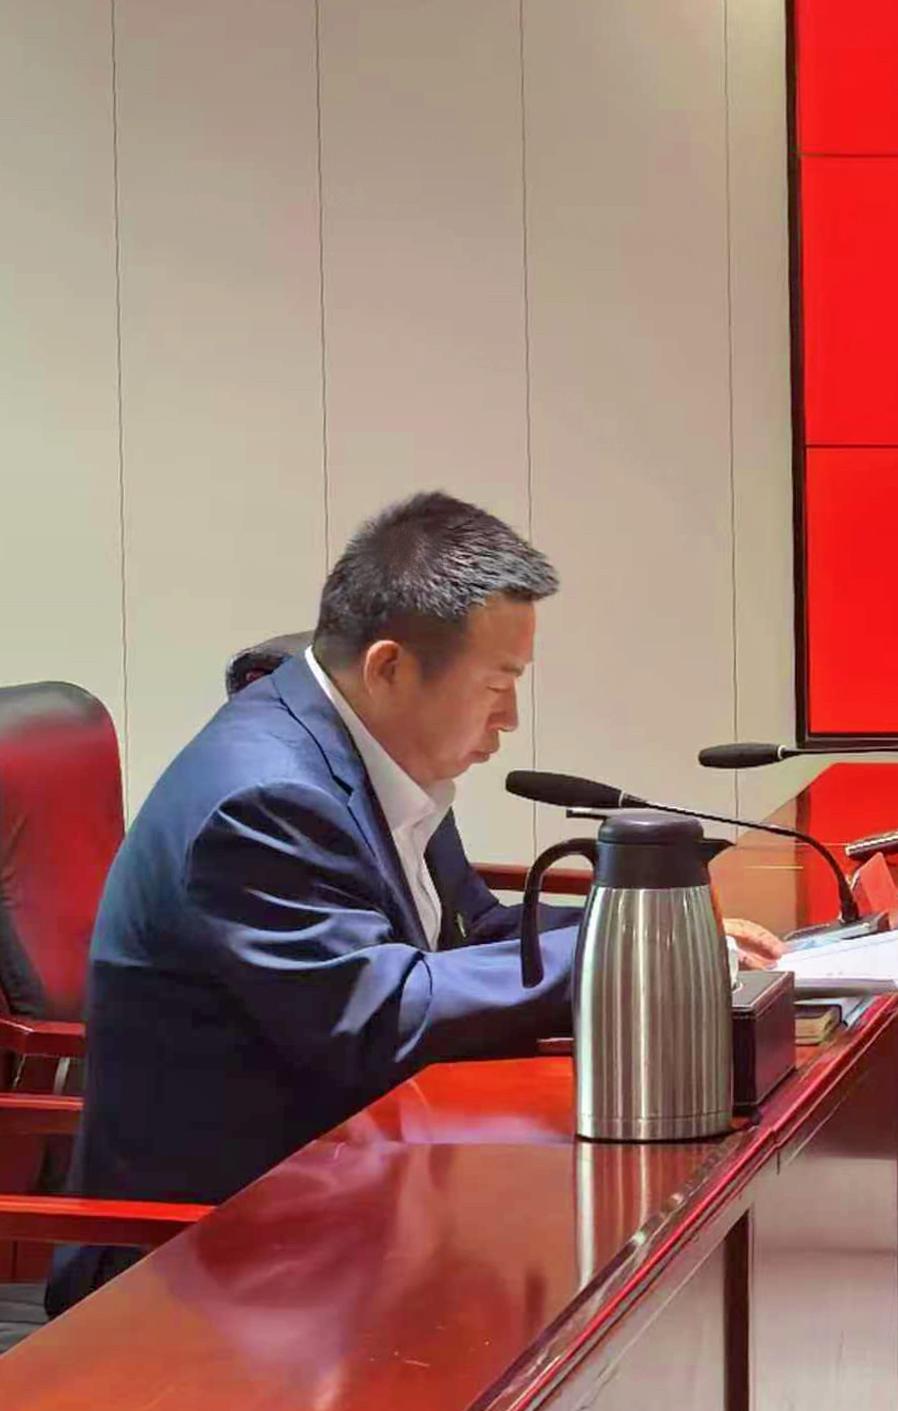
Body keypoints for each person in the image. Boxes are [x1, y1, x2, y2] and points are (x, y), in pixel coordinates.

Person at [55, 491, 784, 1314]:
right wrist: (630, 957)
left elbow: (469, 929)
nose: (510, 717)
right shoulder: (263, 801)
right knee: (566, 1288)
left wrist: (649, 931)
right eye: (498, 683)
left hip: (339, 1187)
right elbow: (380, 1013)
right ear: (390, 667)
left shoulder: (370, 747)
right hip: (202, 1262)